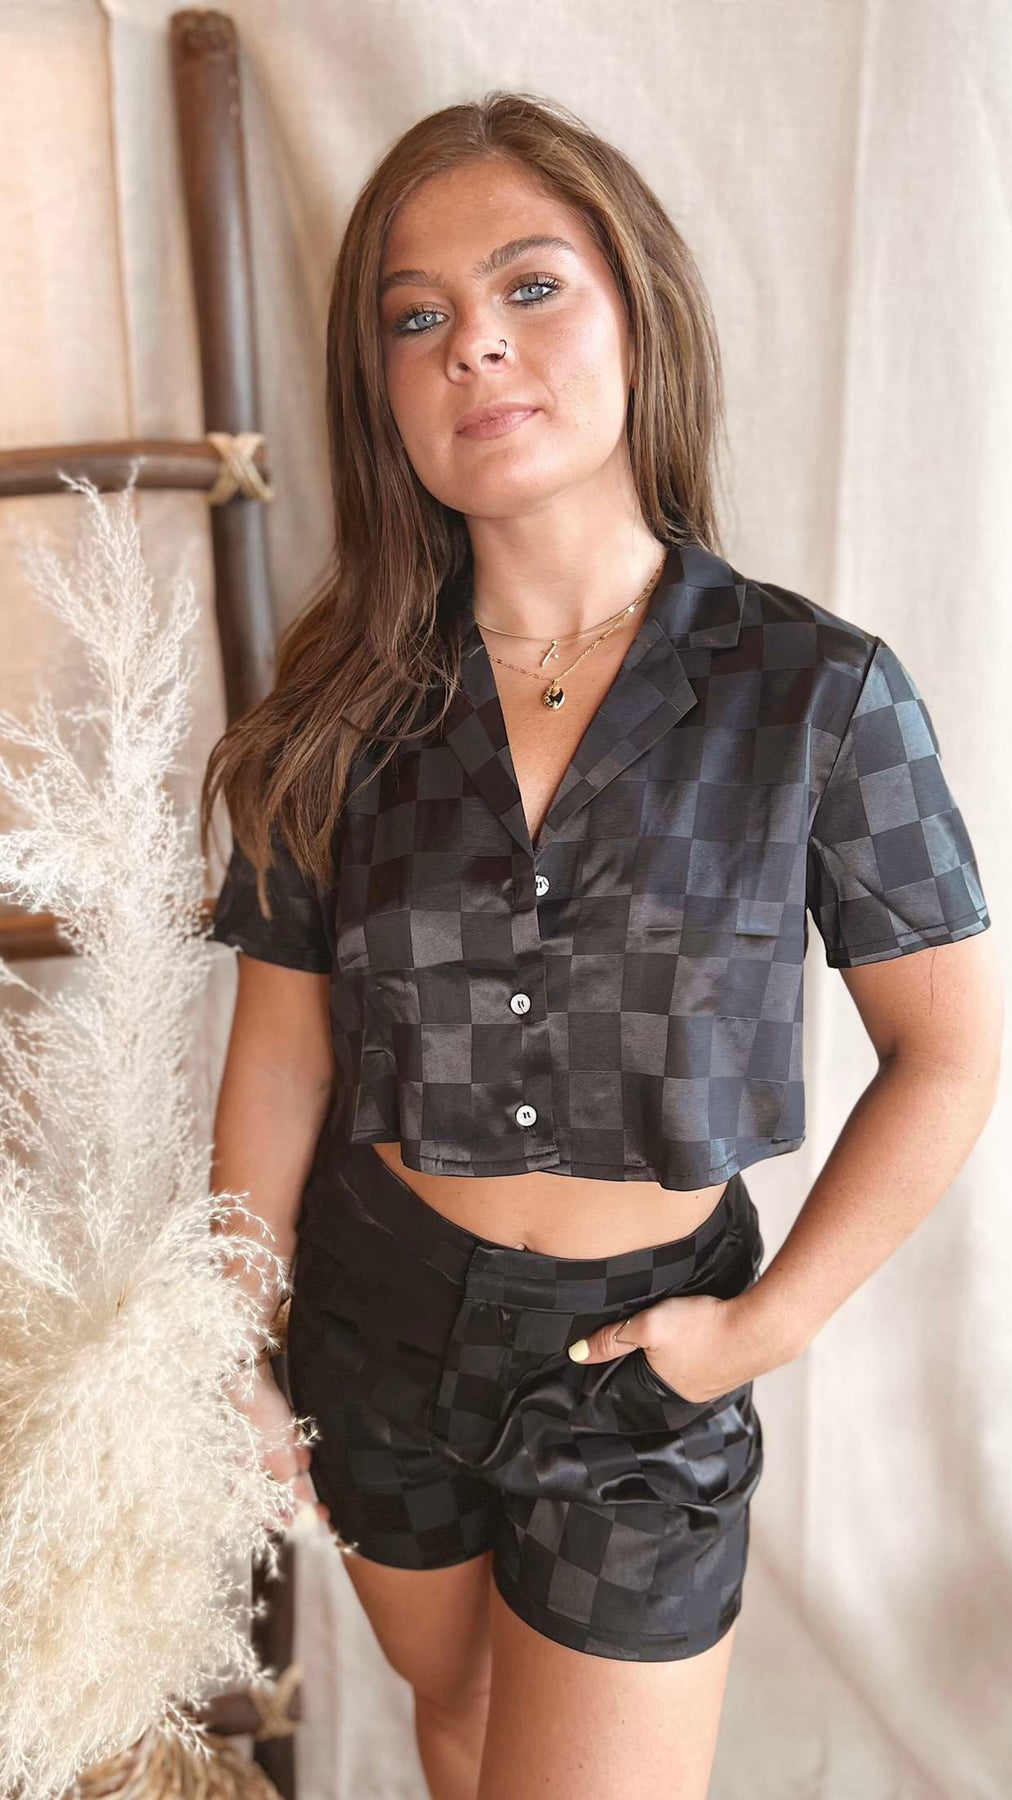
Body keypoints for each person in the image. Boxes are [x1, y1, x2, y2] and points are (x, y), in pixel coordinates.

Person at [200, 91, 1001, 1800]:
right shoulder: (339, 707)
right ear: (380, 390)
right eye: (416, 317)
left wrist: (761, 1331)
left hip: (642, 1364)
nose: (473, 345)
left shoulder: (817, 693)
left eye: (529, 287)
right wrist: (230, 1347)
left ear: (639, 312)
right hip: (374, 1320)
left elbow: (951, 1052)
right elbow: (281, 1056)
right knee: (462, 1721)